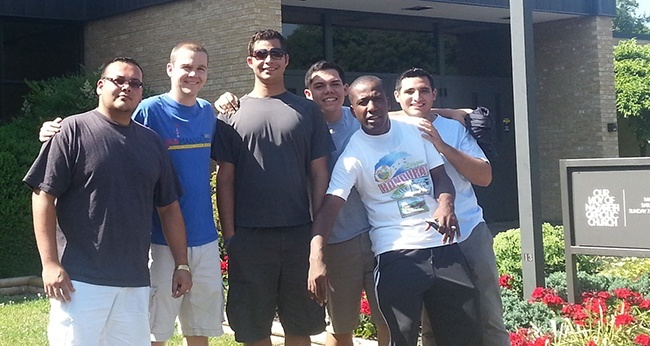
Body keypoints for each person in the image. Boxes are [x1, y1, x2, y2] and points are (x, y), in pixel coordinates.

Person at [37, 42, 224, 346]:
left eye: (134, 83)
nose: (127, 88)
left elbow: (168, 206)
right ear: (100, 86)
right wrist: (50, 264)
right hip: (82, 278)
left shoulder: (156, 139)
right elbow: (43, 196)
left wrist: (182, 264)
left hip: (136, 278)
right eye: (118, 81)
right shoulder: (73, 131)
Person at [308, 75, 480, 346]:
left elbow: (441, 178)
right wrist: (316, 257)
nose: (371, 107)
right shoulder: (352, 156)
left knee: (465, 337)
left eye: (377, 98)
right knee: (401, 339)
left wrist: (446, 204)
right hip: (397, 255)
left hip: (445, 247)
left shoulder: (415, 131)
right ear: (353, 111)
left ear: (388, 101)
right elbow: (329, 210)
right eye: (362, 102)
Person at [212, 29, 333, 346]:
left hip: (298, 234)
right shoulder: (230, 116)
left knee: (300, 326)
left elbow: (320, 174)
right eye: (262, 54)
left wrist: (316, 234)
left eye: (276, 53)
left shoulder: (307, 112)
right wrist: (231, 236)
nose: (269, 59)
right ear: (250, 61)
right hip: (249, 237)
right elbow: (224, 179)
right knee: (253, 329)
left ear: (286, 60)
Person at [393, 67, 509, 346]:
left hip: (468, 232)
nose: (416, 96)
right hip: (420, 239)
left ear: (434, 94)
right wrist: (453, 109)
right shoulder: (389, 129)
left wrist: (442, 145)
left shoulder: (454, 129)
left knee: (489, 314)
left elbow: (484, 177)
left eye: (423, 90)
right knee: (433, 322)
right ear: (396, 96)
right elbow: (355, 111)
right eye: (409, 91)